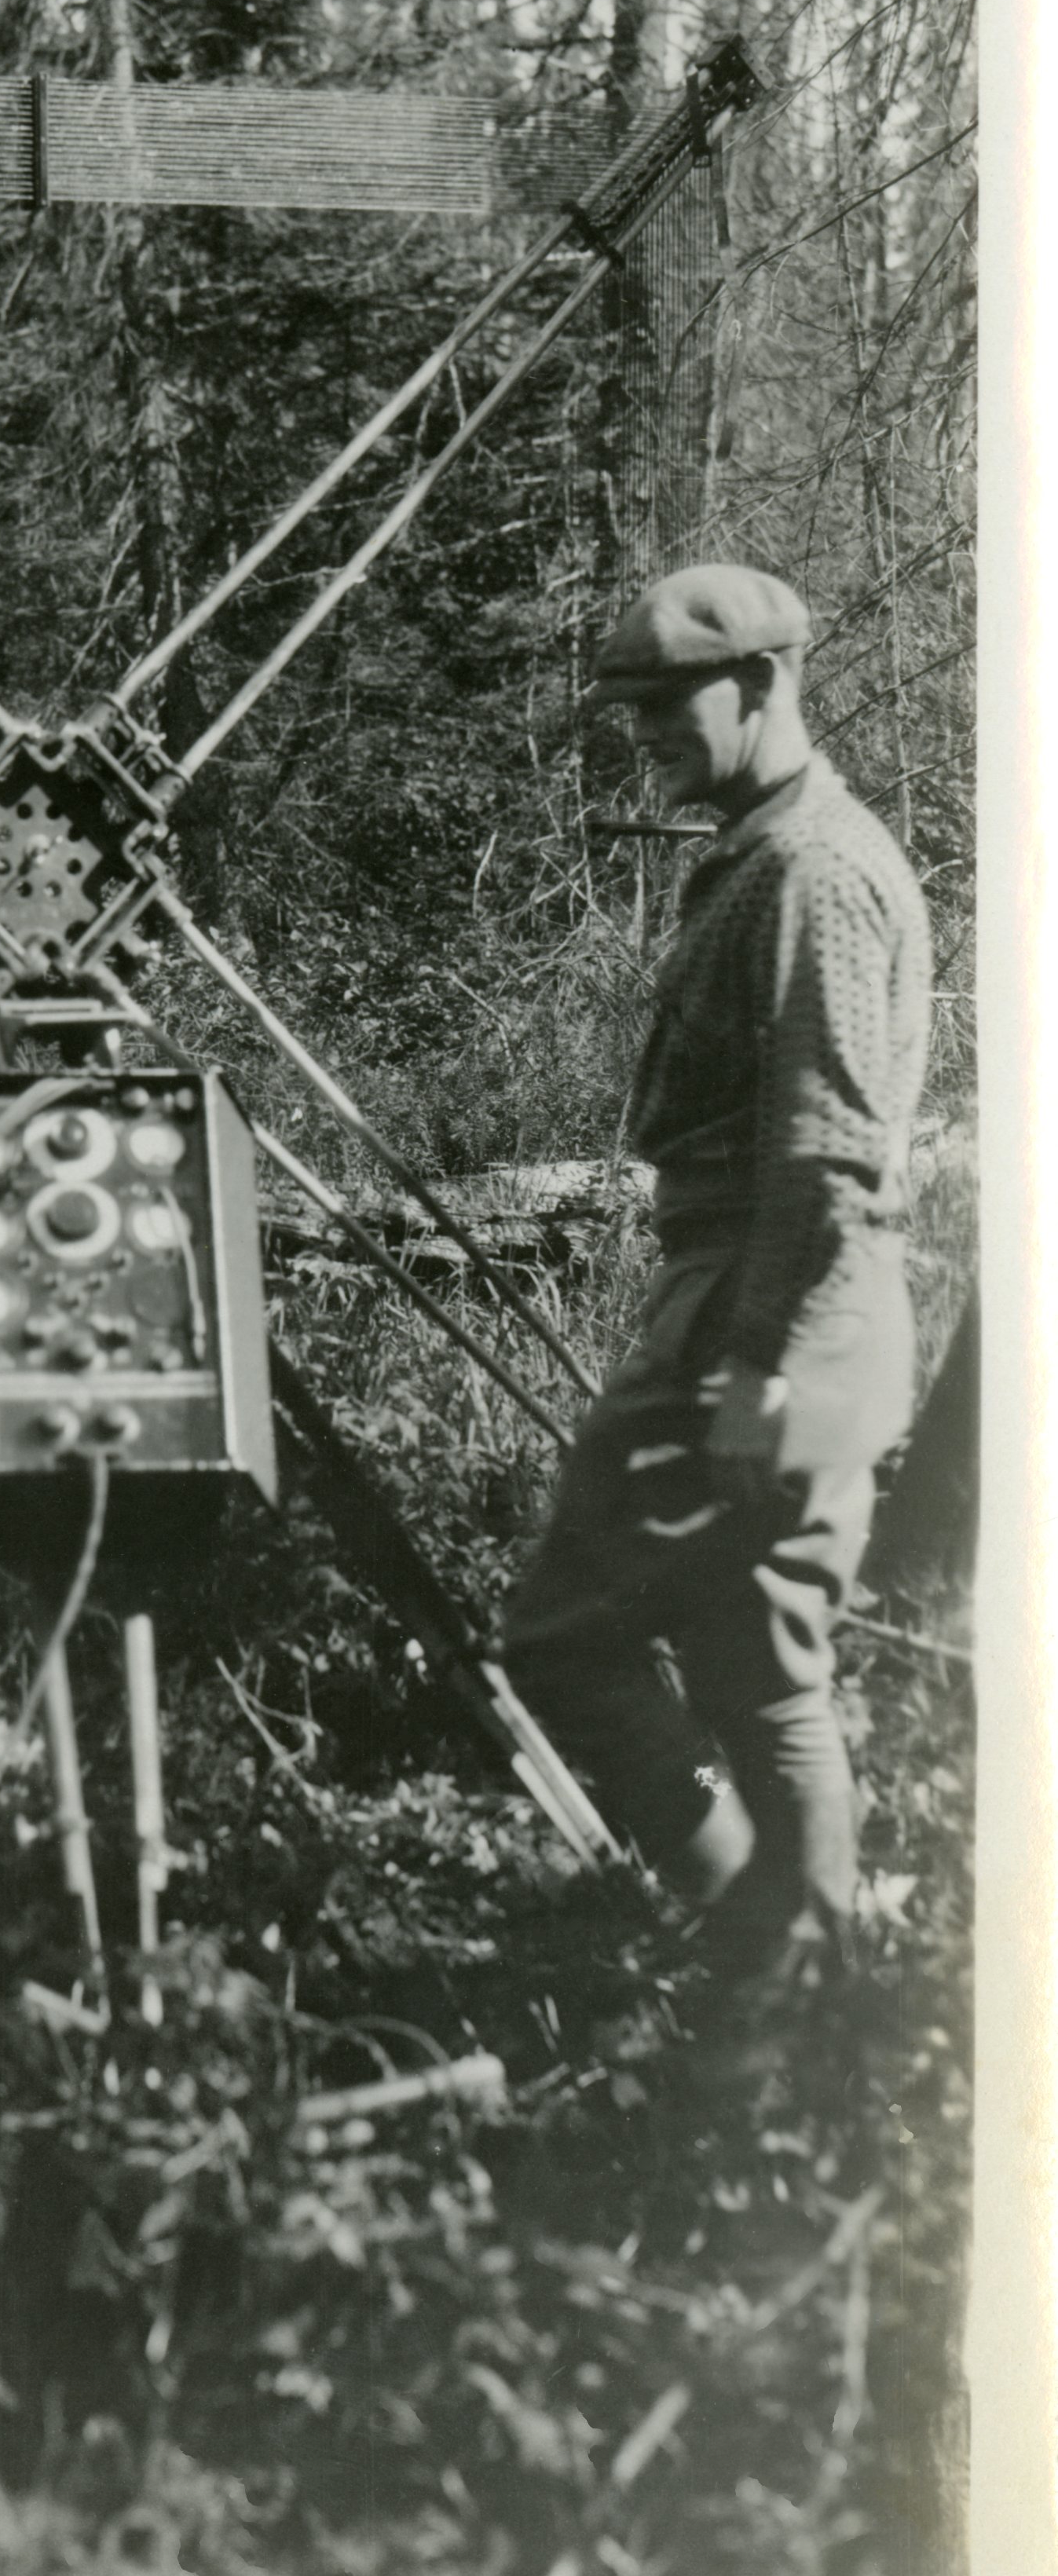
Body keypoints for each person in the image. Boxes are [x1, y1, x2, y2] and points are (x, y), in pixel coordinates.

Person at [503, 564, 932, 2047]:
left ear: (762, 684)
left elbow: (826, 1151)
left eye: (667, 708)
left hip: (780, 1306)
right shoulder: (765, 853)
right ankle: (766, 1966)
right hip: (747, 1296)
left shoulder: (815, 869)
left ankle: (789, 2016)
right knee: (656, 1647)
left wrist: (754, 1364)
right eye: (631, 717)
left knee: (741, 1670)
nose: (647, 741)